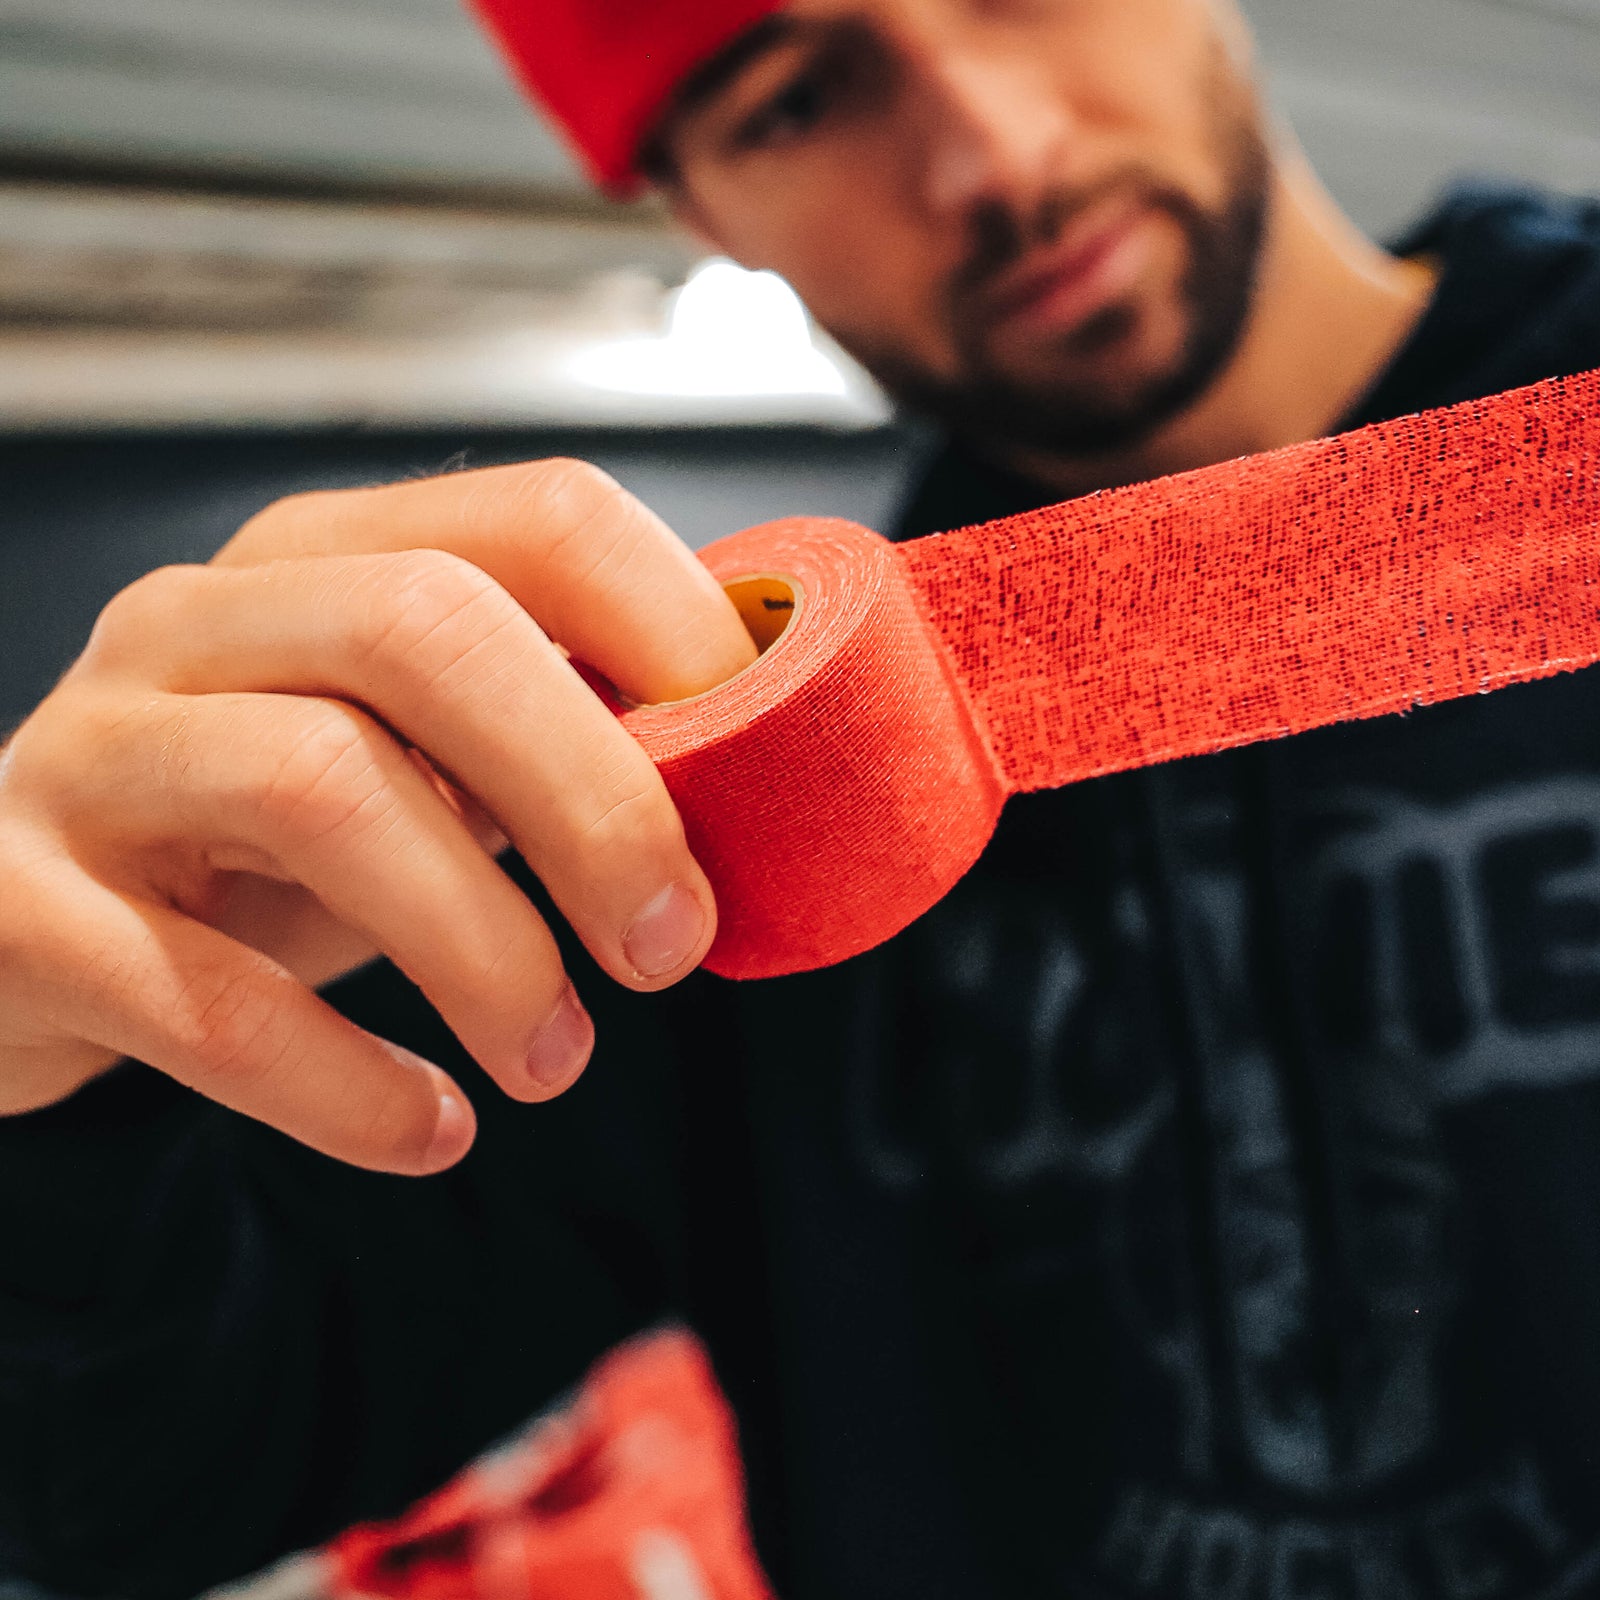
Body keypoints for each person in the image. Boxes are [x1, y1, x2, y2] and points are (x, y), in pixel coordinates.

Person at [2, 0, 1599, 1595]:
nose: (996, 153)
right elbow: (139, 1482)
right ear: (700, 207)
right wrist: (56, 1068)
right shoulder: (698, 798)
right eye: (797, 101)